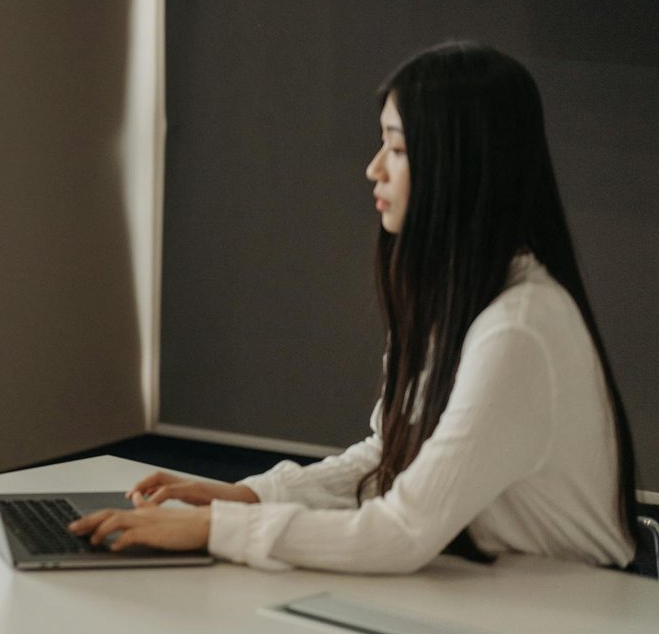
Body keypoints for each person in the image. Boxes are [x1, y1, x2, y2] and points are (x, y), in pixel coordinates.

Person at [70, 41, 639, 574]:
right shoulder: (459, 298)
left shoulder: (519, 330)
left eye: (396, 147)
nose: (374, 168)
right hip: (500, 595)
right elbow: (388, 457)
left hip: (581, 622)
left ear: (458, 169)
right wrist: (249, 495)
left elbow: (402, 531)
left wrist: (217, 528)